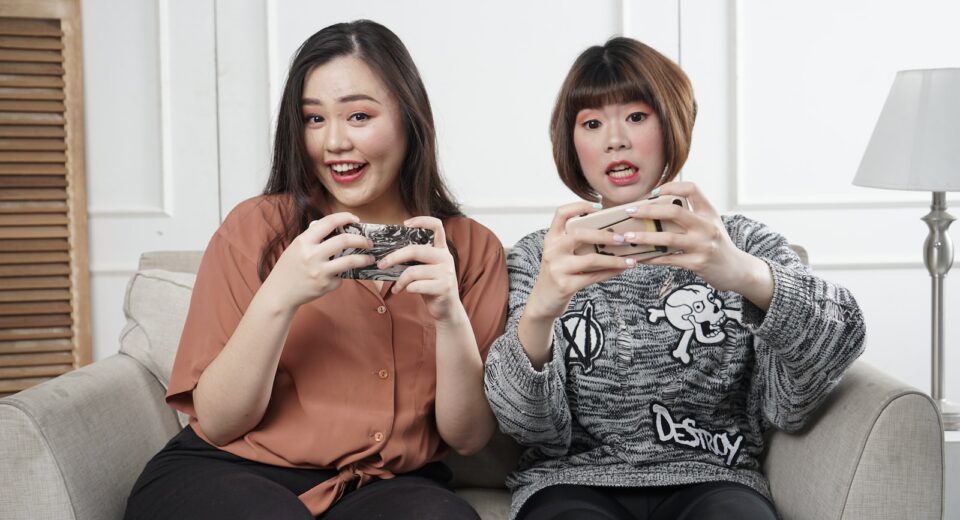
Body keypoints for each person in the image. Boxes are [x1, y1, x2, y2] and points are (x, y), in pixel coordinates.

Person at [124, 20, 508, 520]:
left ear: (408, 119)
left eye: (359, 116)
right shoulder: (256, 229)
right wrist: (280, 296)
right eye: (313, 120)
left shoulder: (469, 249)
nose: (334, 143)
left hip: (387, 487)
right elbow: (217, 422)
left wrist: (448, 316)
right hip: (233, 471)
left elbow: (469, 436)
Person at [483, 37, 865, 520]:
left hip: (713, 476)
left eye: (636, 116)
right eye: (592, 123)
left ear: (672, 124)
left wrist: (743, 273)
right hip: (572, 483)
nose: (614, 139)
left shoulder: (741, 241)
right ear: (571, 143)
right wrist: (539, 312)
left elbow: (829, 354)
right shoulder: (543, 253)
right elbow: (531, 429)